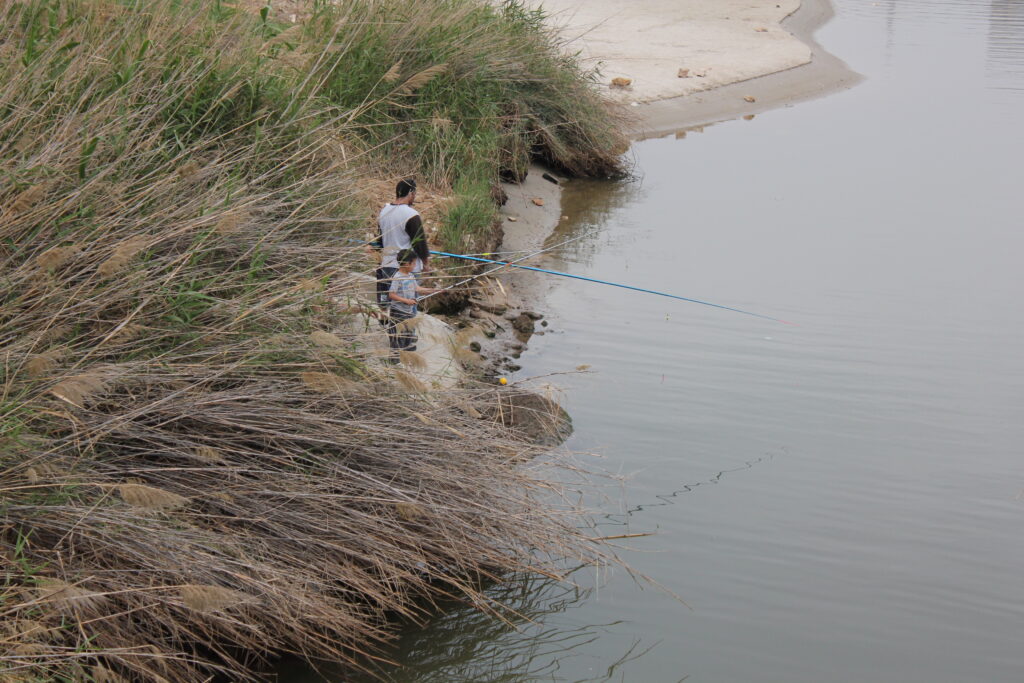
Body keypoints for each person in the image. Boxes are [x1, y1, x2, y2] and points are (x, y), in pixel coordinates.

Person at [374, 178, 430, 315]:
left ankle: (393, 331)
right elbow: (420, 244)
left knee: (390, 303)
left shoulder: (384, 211)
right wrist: (427, 265)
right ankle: (407, 332)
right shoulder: (411, 214)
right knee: (408, 305)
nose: (414, 196)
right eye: (414, 193)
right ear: (411, 192)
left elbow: (380, 240)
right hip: (407, 268)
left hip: (387, 266)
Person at [386, 249, 438, 363]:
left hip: (408, 311)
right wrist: (406, 301)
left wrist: (432, 290)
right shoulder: (397, 277)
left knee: (408, 331)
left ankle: (406, 352)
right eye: (414, 263)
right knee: (396, 334)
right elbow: (391, 294)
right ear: (406, 263)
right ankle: (394, 358)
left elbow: (417, 289)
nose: (415, 266)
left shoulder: (410, 276)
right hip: (398, 311)